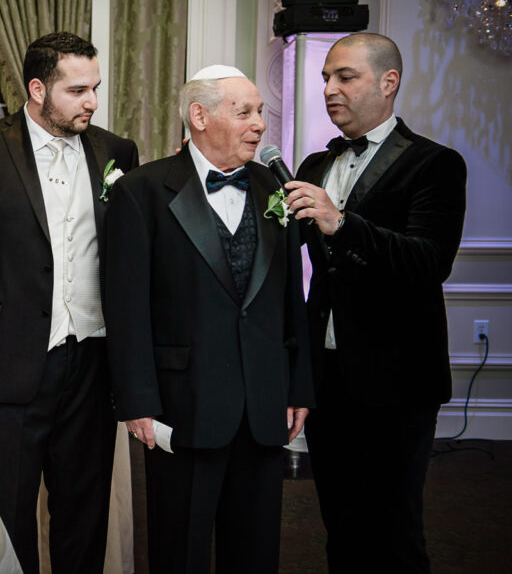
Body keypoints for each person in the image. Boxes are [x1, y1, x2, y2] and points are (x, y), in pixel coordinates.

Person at [0, 32, 139, 574]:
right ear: (38, 89)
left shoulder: (117, 152)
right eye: (78, 90)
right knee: (12, 505)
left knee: (84, 509)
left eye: (95, 88)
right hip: (11, 357)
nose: (92, 101)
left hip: (93, 361)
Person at [104, 65, 314, 573]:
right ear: (199, 116)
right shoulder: (142, 190)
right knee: (180, 548)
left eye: (260, 112)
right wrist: (137, 400)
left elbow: (293, 298)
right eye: (244, 112)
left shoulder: (275, 188)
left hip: (263, 402)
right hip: (183, 402)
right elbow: (126, 306)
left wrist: (298, 386)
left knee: (256, 548)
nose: (259, 124)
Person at [284, 33, 466, 573]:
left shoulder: (435, 163)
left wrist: (341, 222)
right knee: (340, 524)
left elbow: (429, 261)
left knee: (394, 529)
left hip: (398, 377)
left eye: (346, 77)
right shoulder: (315, 163)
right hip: (327, 375)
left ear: (389, 83)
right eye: (326, 78)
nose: (329, 89)